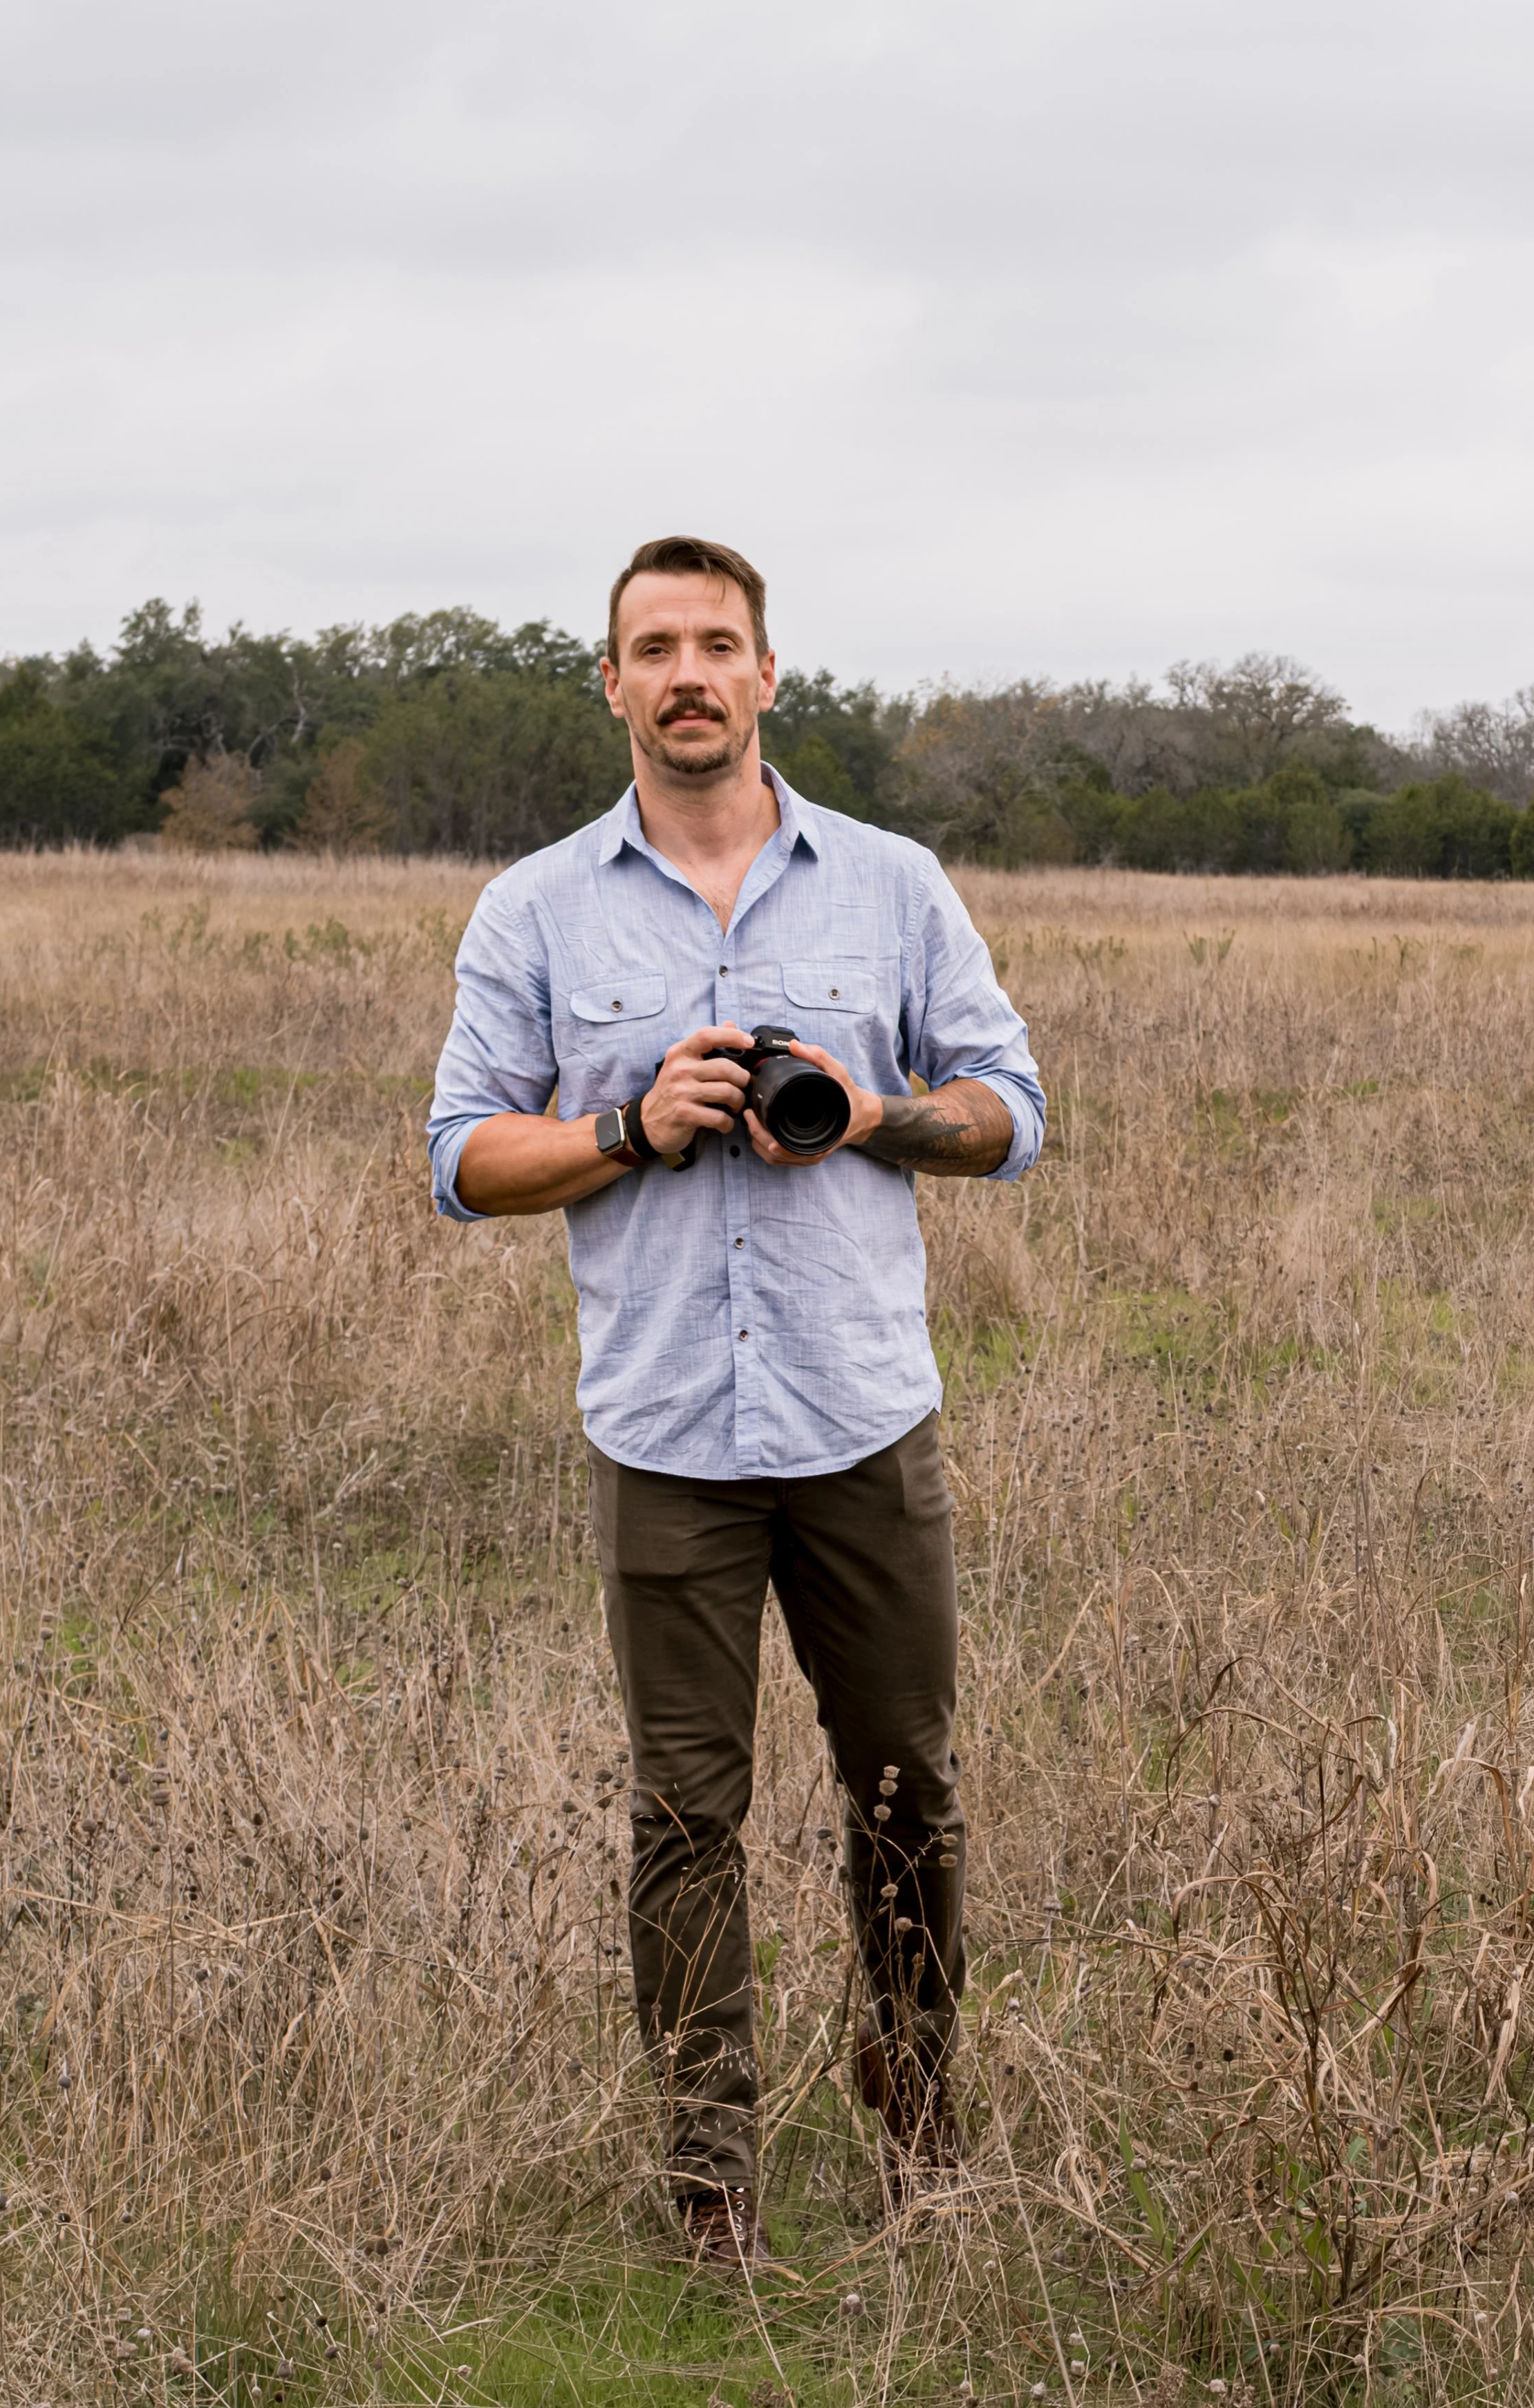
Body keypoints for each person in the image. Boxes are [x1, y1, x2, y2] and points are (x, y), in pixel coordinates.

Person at [427, 536, 1044, 2266]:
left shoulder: (894, 882)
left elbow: (1014, 1110)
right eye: (654, 649)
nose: (689, 674)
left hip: (862, 1419)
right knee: (684, 1817)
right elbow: (459, 1158)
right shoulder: (536, 907)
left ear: (769, 674)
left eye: (719, 644)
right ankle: (712, 2186)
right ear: (611, 685)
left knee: (907, 1786)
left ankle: (919, 2117)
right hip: (666, 1436)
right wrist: (630, 1126)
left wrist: (869, 1112)